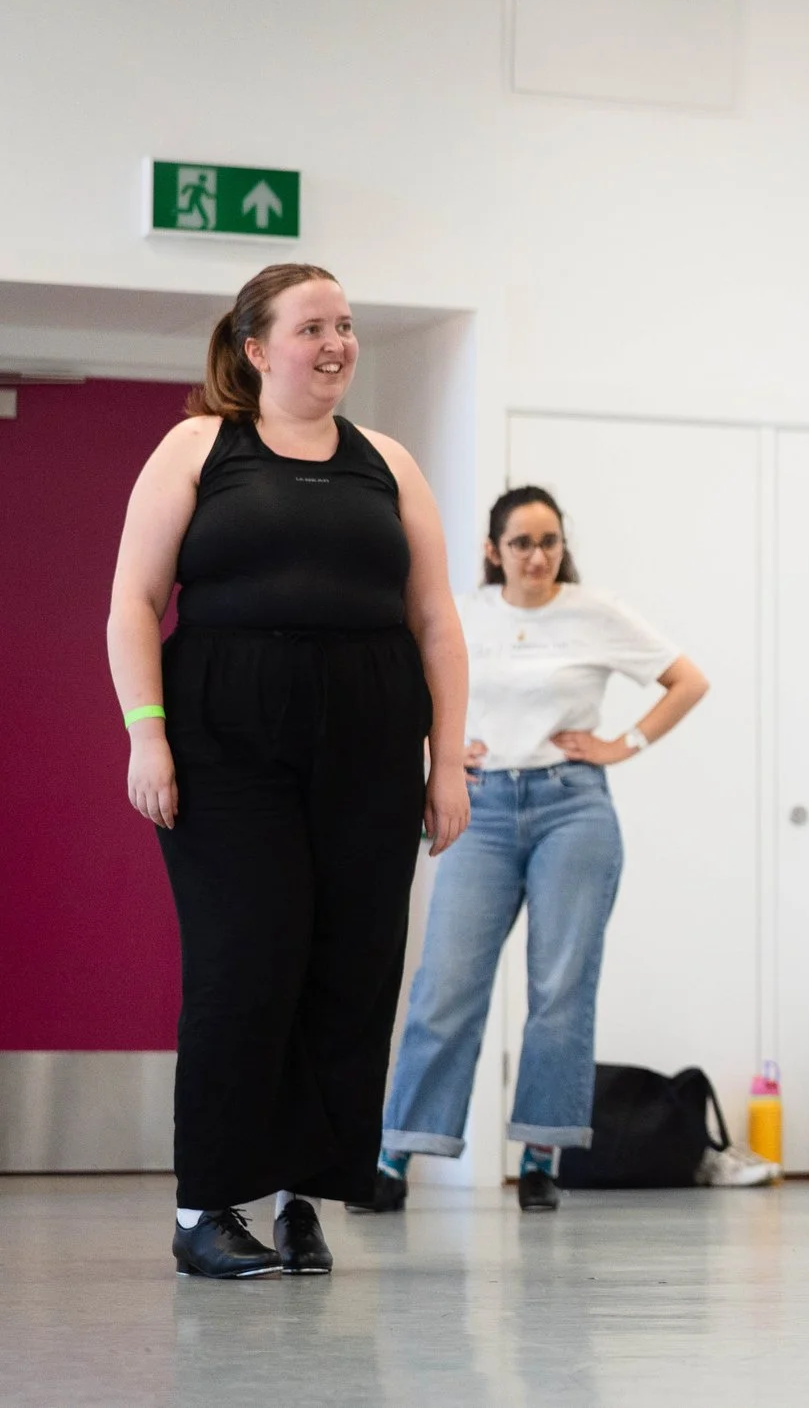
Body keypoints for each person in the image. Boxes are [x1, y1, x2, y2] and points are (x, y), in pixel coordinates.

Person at [106, 263, 469, 1279]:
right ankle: (205, 1207)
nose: (337, 342)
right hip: (225, 737)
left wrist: (446, 759)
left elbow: (436, 620)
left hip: (371, 738)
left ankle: (301, 1195)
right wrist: (146, 733)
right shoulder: (198, 446)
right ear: (256, 346)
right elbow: (133, 600)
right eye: (312, 326)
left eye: (345, 325)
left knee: (349, 967)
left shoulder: (387, 461)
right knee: (245, 962)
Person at [362, 486, 711, 1214]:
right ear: (494, 550)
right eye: (521, 542)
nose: (537, 555)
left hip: (571, 808)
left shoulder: (593, 611)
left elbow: (688, 680)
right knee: (446, 983)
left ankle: (541, 1156)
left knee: (560, 988)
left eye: (549, 541)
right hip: (481, 810)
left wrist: (622, 743)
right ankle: (395, 1154)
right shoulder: (461, 613)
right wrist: (438, 752)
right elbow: (404, 691)